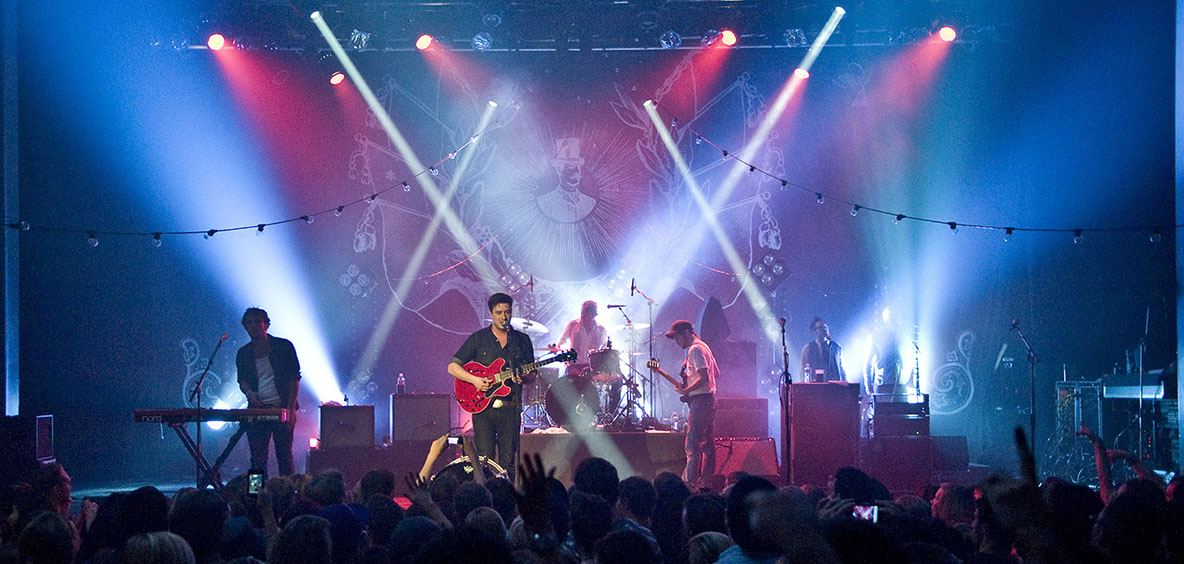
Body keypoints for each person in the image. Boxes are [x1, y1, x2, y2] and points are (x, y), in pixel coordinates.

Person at [448, 293, 535, 482]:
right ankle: (486, 497)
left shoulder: (522, 340)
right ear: (491, 313)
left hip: (510, 409)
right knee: (484, 461)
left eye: (507, 312)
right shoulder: (479, 338)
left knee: (508, 463)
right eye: (499, 313)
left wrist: (523, 377)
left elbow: (532, 375)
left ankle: (506, 496)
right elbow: (453, 367)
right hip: (483, 411)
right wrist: (474, 380)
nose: (504, 317)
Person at [236, 307, 301, 476]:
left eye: (257, 321)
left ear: (266, 324)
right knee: (256, 459)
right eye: (249, 322)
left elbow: (294, 378)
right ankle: (255, 491)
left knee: (284, 456)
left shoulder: (283, 346)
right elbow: (242, 380)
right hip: (257, 411)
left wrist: (290, 409)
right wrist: (249, 393)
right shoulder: (243, 353)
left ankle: (288, 489)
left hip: (282, 408)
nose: (253, 326)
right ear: (245, 326)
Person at [659, 320, 718, 489]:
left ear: (686, 333)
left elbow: (704, 377)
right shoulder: (704, 347)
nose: (677, 342)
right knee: (708, 445)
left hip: (701, 401)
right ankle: (706, 484)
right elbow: (716, 372)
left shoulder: (695, 349)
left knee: (692, 444)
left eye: (678, 338)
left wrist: (687, 390)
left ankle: (689, 485)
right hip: (709, 399)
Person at [554, 300, 608, 375]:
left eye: (586, 314)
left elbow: (605, 349)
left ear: (593, 315)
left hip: (591, 368)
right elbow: (563, 340)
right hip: (573, 366)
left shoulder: (601, 329)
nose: (582, 316)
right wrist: (557, 347)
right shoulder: (573, 324)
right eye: (582, 313)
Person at [800, 317, 846, 382]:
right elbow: (803, 370)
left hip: (834, 385)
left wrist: (846, 384)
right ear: (814, 332)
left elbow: (841, 369)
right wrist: (803, 385)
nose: (825, 328)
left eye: (825, 326)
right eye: (821, 327)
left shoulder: (836, 347)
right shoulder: (807, 348)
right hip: (815, 385)